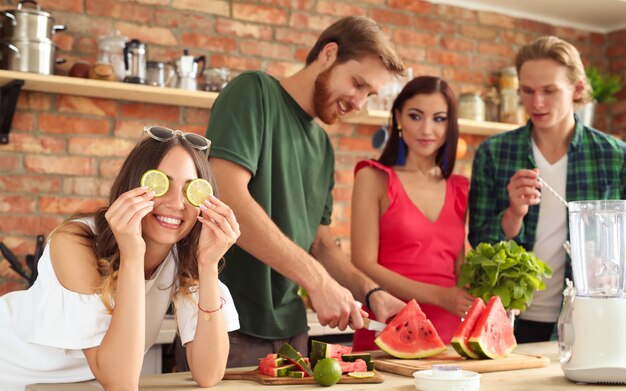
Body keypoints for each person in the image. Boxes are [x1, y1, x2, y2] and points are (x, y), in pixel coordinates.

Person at [205, 16, 407, 367]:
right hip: (228, 323)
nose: (359, 103)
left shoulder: (322, 147)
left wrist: (372, 293)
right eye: (358, 84)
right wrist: (318, 282)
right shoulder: (254, 92)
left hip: (292, 331)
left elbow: (322, 245)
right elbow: (227, 198)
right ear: (329, 54)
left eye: (369, 94)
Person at [0, 126, 241, 391]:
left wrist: (208, 266)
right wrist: (132, 253)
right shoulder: (74, 242)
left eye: (191, 190)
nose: (177, 204)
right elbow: (122, 385)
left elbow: (209, 373)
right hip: (13, 377)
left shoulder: (185, 253)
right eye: (161, 184)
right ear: (132, 187)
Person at [469, 36, 626, 343]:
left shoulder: (615, 157)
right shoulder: (493, 153)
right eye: (527, 91)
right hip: (511, 320)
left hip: (590, 320)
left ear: (577, 89)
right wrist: (514, 213)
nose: (536, 103)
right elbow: (480, 243)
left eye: (549, 91)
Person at [350, 76, 476, 350]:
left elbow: (458, 268)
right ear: (398, 117)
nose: (427, 129)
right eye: (416, 116)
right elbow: (363, 263)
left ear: (450, 124)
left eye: (439, 118)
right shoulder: (373, 177)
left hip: (449, 333)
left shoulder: (460, 188)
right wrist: (441, 296)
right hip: (390, 325)